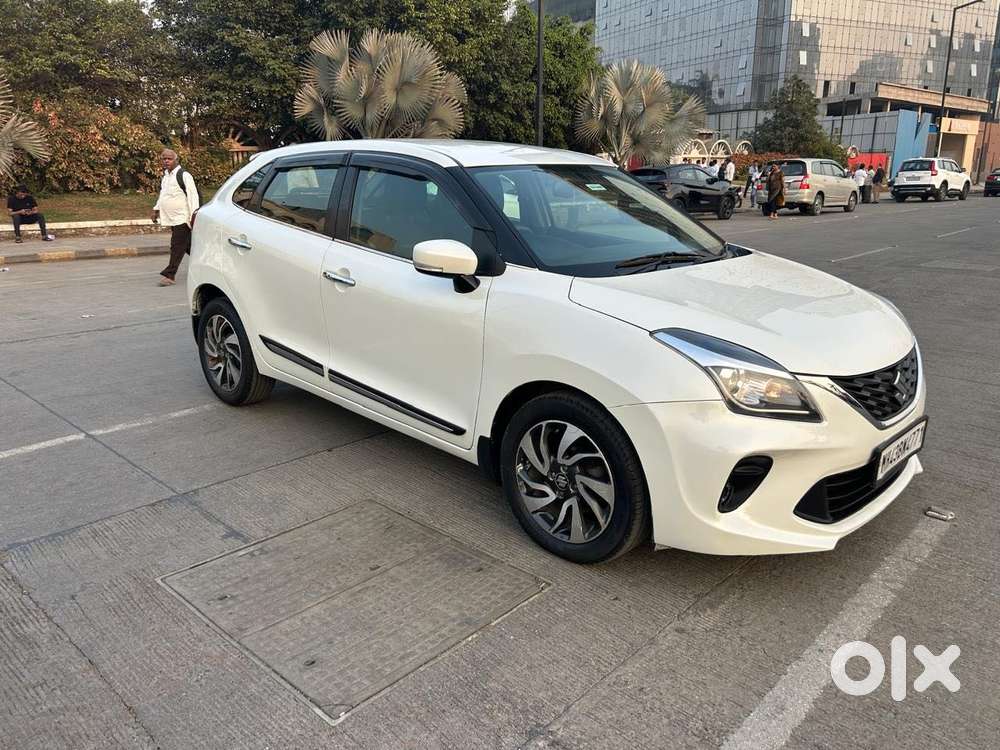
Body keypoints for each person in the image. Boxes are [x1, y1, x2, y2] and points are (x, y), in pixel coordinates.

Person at [153, 149, 199, 286]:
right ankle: (212, 264)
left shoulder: (184, 175)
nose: (166, 161)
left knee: (176, 245)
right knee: (188, 246)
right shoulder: (166, 176)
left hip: (183, 218)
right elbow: (163, 195)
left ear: (176, 160)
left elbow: (193, 196)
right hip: (172, 218)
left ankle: (170, 275)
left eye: (169, 159)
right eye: (164, 159)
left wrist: (193, 216)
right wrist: (156, 209)